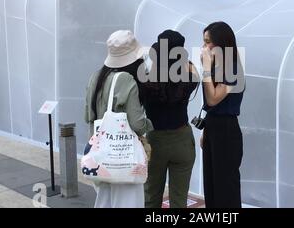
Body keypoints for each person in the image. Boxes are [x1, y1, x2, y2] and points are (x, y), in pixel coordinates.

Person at [84, 30, 153, 208]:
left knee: (104, 203)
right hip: (123, 158)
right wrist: (149, 125)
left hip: (101, 156)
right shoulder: (127, 80)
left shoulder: (95, 77)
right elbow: (137, 124)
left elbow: (88, 117)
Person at [143, 30, 199, 208]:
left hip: (155, 141)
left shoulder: (147, 83)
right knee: (179, 200)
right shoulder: (187, 80)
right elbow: (196, 74)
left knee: (151, 196)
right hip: (182, 140)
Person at [200, 21, 245, 208]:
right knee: (211, 184)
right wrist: (206, 131)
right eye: (203, 42)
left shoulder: (232, 68)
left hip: (227, 130)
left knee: (225, 187)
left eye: (208, 42)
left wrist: (206, 69)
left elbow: (213, 99)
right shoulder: (216, 68)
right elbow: (211, 107)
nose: (204, 47)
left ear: (221, 44)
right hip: (213, 126)